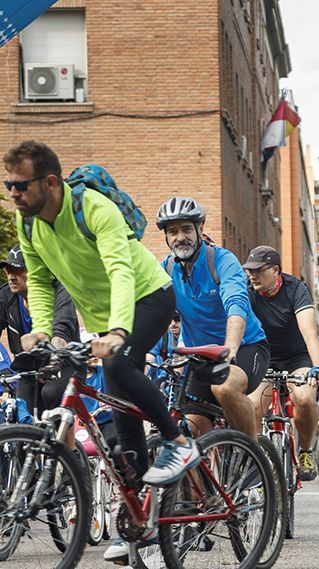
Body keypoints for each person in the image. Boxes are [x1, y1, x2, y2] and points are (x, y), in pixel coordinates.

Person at [3, 141, 197, 566]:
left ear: (49, 182)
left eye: (20, 185)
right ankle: (142, 519)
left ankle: (180, 442)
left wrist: (118, 331)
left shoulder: (92, 209)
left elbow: (120, 270)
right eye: (8, 185)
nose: (13, 194)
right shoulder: (29, 223)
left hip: (148, 296)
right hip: (105, 314)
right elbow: (40, 280)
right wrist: (42, 330)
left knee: (117, 363)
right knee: (120, 416)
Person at [156, 197, 268, 439]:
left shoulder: (222, 261)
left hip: (246, 347)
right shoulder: (165, 269)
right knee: (191, 427)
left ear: (200, 228)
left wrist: (230, 348)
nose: (180, 237)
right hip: (201, 357)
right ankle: (207, 464)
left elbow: (236, 305)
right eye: (172, 232)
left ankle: (252, 454)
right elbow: (147, 307)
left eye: (186, 229)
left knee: (225, 386)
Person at [242, 245, 319, 481]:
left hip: (296, 357)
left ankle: (306, 450)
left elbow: (310, 333)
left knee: (305, 397)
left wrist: (318, 367)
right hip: (264, 356)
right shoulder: (248, 292)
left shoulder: (295, 289)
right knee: (252, 405)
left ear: (276, 270)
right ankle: (256, 460)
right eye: (250, 271)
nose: (253, 276)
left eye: (258, 270)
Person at [0, 244, 80, 418]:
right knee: (23, 413)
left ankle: (70, 437)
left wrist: (55, 360)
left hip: (65, 360)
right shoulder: (6, 296)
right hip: (29, 366)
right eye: (8, 271)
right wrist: (2, 367)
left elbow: (62, 329)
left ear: (35, 271)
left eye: (18, 270)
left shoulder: (60, 290)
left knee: (51, 395)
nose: (11, 277)